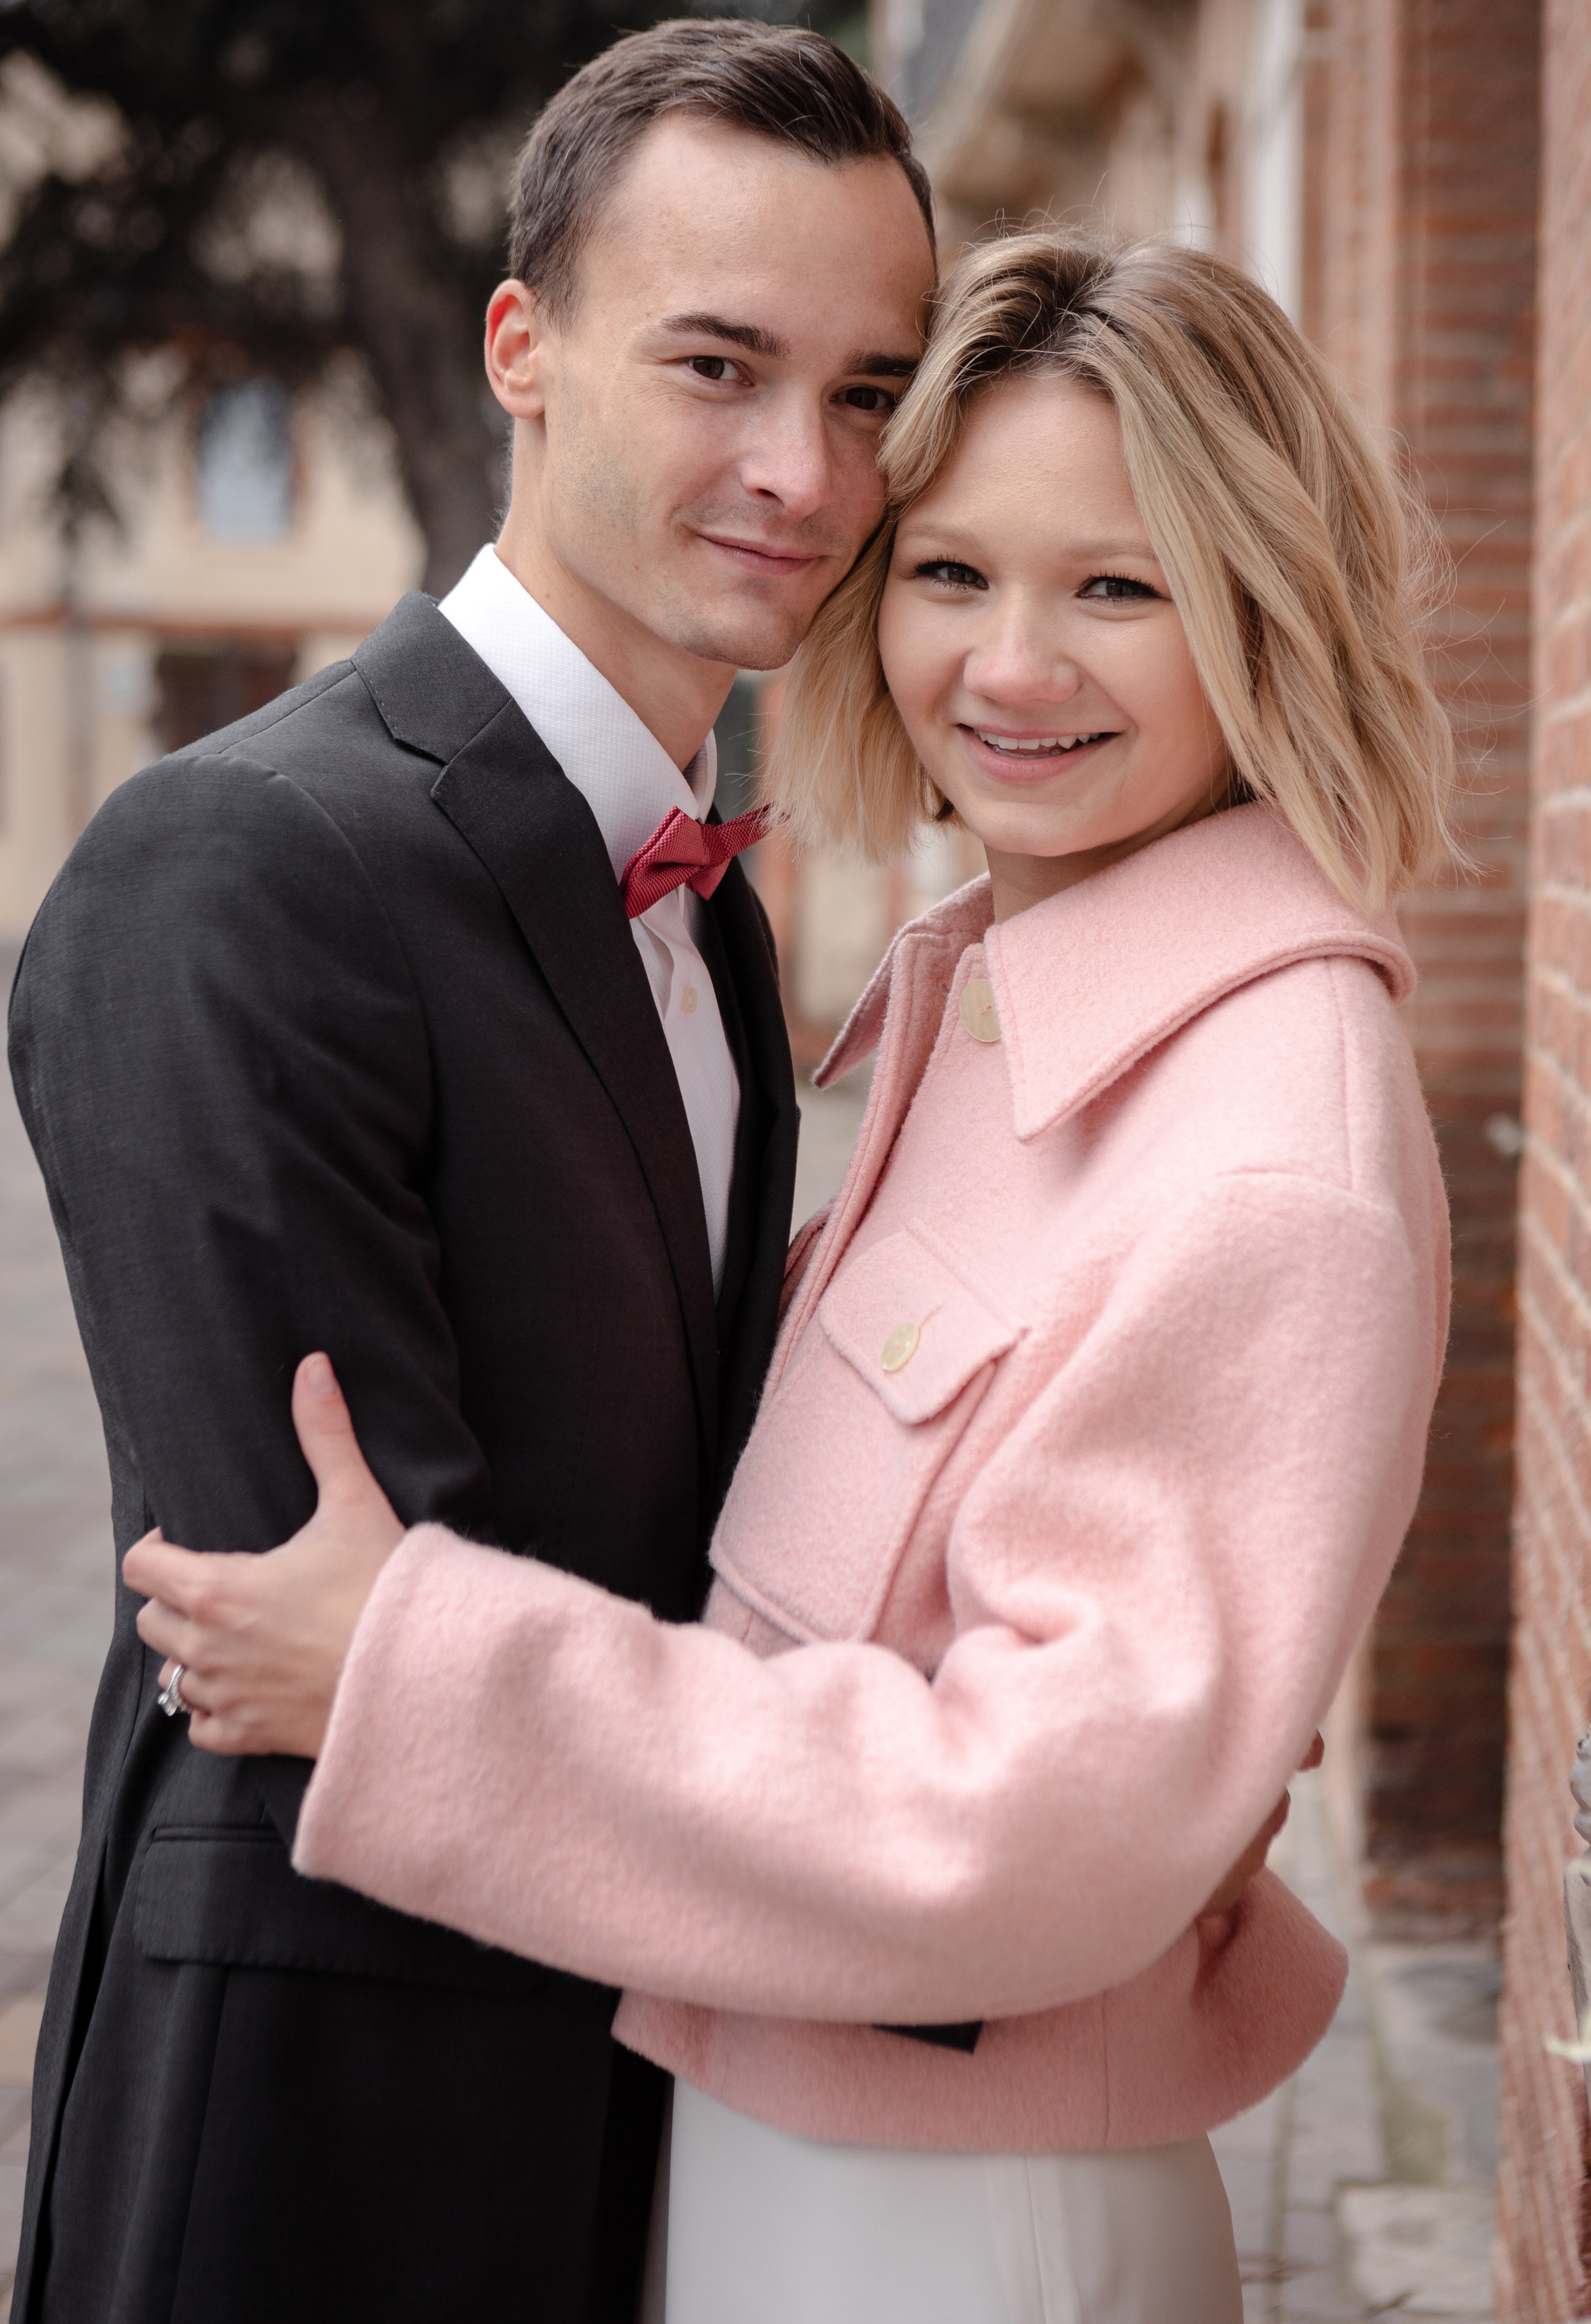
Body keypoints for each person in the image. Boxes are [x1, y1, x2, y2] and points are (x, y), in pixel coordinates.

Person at [128, 230, 1455, 2323]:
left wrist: (418, 1668)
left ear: (1264, 612)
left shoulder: (1268, 1121)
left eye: (1117, 586)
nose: (1010, 670)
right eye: (951, 575)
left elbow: (1040, 1825)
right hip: (793, 2138)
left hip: (959, 2208)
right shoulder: (1002, 1008)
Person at [5, 18, 937, 2324]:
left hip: (652, 2106)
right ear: (521, 347)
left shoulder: (699, 895)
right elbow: (336, 1629)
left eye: (866, 393)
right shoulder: (235, 866)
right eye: (717, 364)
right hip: (334, 2137)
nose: (802, 473)